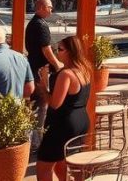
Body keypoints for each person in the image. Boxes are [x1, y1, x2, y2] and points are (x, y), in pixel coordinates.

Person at [35, 36, 91, 181]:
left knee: (44, 166)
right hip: (81, 119)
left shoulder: (66, 74)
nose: (56, 52)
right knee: (65, 163)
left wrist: (43, 86)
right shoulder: (84, 69)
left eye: (60, 49)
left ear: (70, 52)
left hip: (63, 123)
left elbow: (55, 103)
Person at [25, 0, 62, 142]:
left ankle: (34, 139)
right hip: (39, 70)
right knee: (41, 105)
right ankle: (37, 142)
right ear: (40, 7)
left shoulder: (34, 23)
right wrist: (58, 64)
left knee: (37, 104)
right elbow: (46, 49)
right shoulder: (40, 25)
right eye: (49, 7)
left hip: (33, 67)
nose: (51, 10)